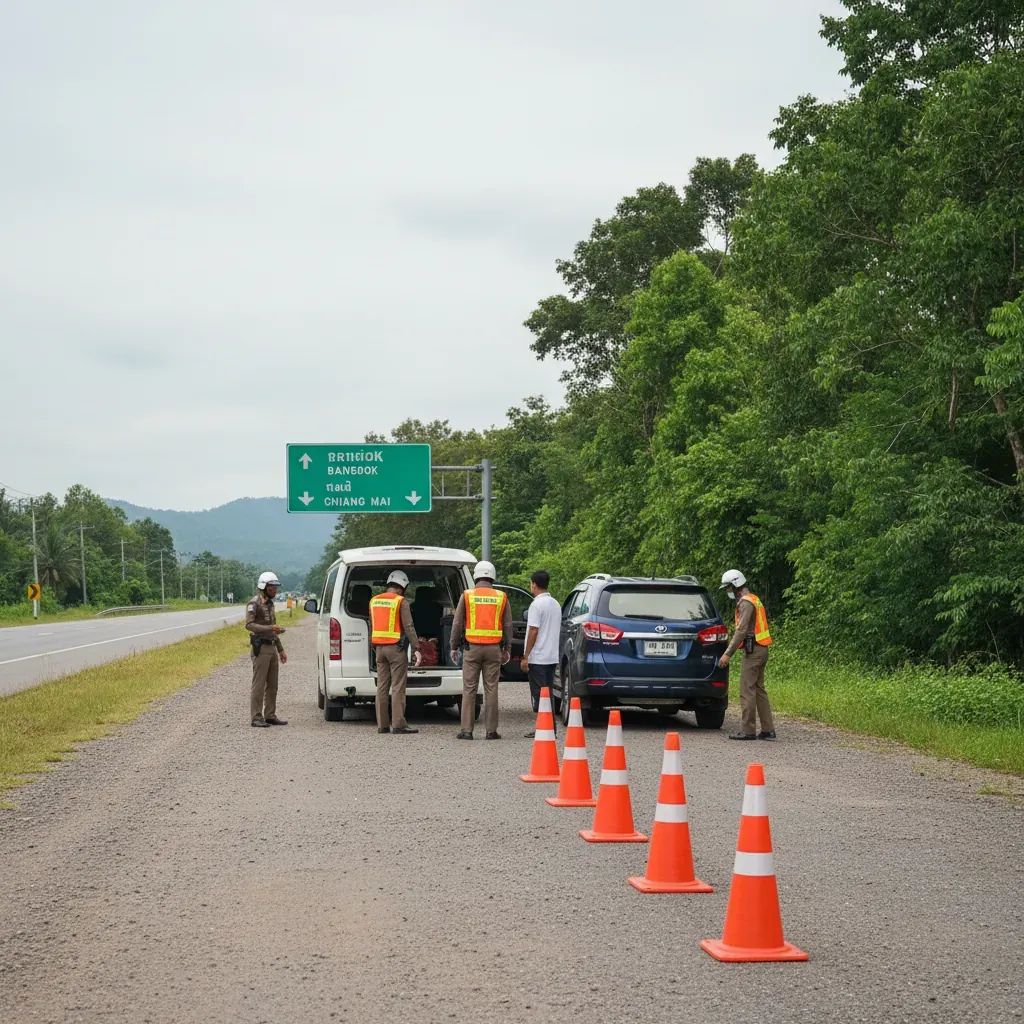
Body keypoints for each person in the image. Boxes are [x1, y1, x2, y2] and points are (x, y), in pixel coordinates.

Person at [450, 560, 512, 740]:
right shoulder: (502, 597)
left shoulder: (467, 595)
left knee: (469, 689)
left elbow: (457, 623)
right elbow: (508, 625)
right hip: (494, 649)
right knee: (491, 689)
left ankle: (467, 731)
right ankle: (491, 731)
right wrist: (507, 647)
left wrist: (454, 645)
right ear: (492, 576)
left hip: (472, 649)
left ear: (476, 576)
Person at [717, 569, 776, 740]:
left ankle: (748, 730)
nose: (728, 591)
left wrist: (728, 654)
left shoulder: (745, 603)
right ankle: (768, 729)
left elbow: (741, 630)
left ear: (736, 584)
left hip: (754, 651)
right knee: (759, 690)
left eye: (729, 588)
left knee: (747, 690)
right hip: (761, 649)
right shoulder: (754, 599)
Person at [369, 570, 422, 735]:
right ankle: (398, 724)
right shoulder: (401, 601)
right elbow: (409, 627)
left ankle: (382, 725)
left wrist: (374, 646)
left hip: (379, 649)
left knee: (382, 687)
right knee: (398, 687)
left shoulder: (374, 601)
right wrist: (416, 648)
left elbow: (372, 625)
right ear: (403, 587)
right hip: (396, 649)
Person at [520, 570, 561, 738]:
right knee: (548, 692)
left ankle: (544, 728)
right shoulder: (555, 604)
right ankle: (549, 727)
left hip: (538, 656)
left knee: (539, 694)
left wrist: (526, 655)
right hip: (551, 656)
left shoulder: (536, 605)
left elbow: (533, 631)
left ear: (534, 584)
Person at [246, 571, 289, 727]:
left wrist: (281, 649)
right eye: (272, 587)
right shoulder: (254, 604)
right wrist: (270, 627)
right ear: (264, 587)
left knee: (273, 684)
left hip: (271, 647)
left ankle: (270, 714)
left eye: (276, 587)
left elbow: (274, 629)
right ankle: (256, 717)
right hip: (260, 648)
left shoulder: (270, 604)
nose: (275, 590)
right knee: (259, 684)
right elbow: (249, 625)